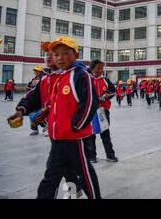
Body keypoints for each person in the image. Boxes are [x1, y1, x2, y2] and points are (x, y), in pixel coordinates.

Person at [8, 36, 101, 199]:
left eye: (59, 53)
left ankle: (85, 195)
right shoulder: (48, 78)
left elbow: (88, 102)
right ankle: (74, 194)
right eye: (51, 53)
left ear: (74, 55)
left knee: (79, 172)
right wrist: (24, 110)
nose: (54, 56)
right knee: (61, 172)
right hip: (57, 133)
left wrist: (75, 126)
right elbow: (38, 99)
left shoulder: (75, 75)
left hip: (72, 135)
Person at [85, 60, 118, 163]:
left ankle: (110, 155)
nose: (100, 70)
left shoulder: (105, 80)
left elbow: (113, 91)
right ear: (92, 68)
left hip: (103, 111)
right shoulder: (87, 80)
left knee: (105, 133)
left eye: (102, 68)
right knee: (91, 134)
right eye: (98, 68)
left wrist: (107, 95)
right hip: (91, 112)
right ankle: (92, 156)